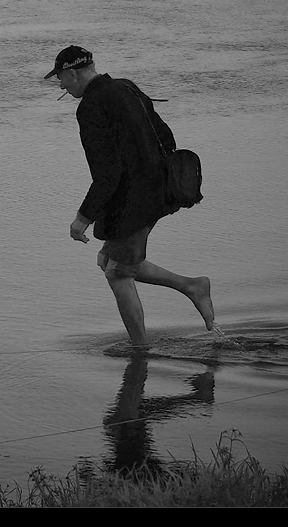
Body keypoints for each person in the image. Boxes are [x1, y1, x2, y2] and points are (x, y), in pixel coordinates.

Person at [45, 45, 215, 349]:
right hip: (157, 189)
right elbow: (166, 137)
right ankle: (192, 287)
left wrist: (83, 218)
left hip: (135, 198)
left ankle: (141, 349)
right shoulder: (126, 87)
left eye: (61, 78)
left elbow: (107, 172)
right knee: (109, 260)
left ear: (73, 73)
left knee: (118, 273)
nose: (61, 86)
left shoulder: (91, 106)